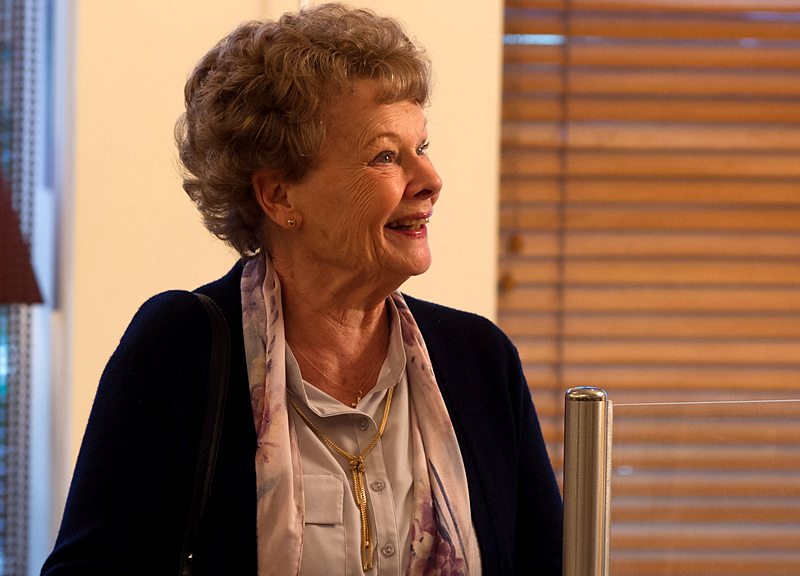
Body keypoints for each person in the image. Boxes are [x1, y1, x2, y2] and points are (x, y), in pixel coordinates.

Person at [42, 4, 562, 575]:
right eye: (385, 156)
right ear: (279, 196)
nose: (430, 180)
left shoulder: (480, 360)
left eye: (422, 147)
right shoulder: (180, 348)